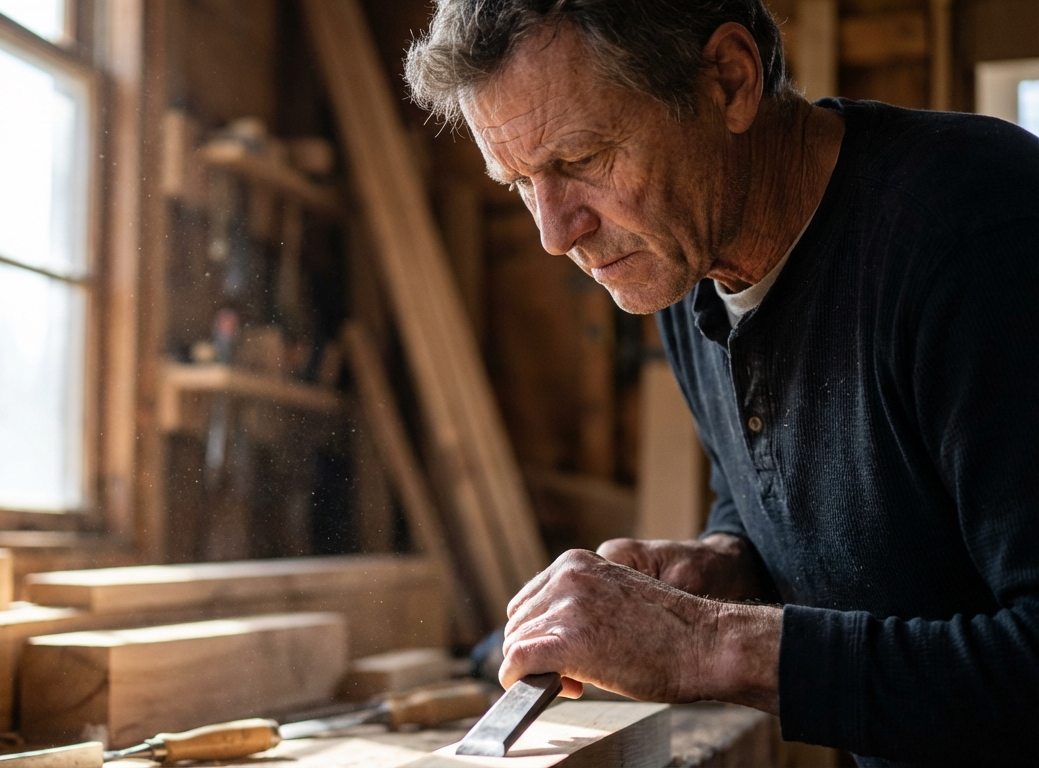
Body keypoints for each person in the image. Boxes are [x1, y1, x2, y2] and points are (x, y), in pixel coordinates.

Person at [404, 2, 1039, 765]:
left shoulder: (981, 235)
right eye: (518, 184)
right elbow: (766, 486)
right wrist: (721, 563)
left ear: (730, 82)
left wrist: (706, 642)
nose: (553, 233)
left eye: (579, 160)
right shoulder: (683, 256)